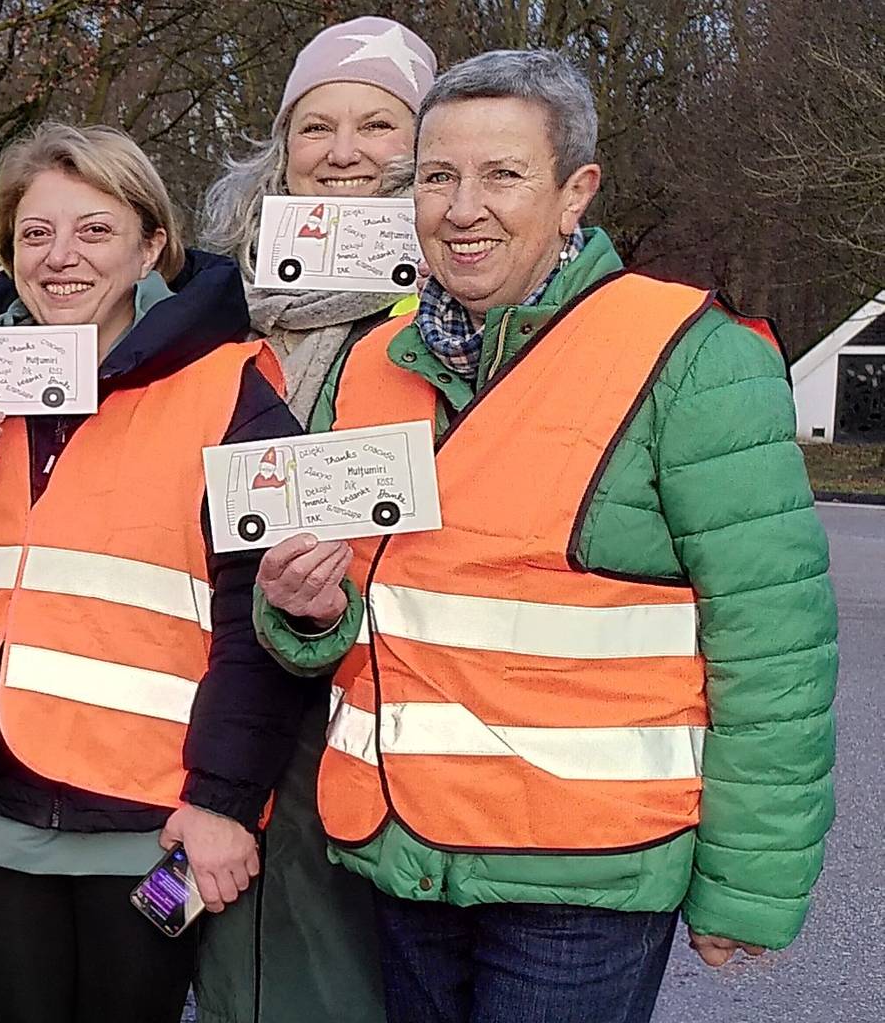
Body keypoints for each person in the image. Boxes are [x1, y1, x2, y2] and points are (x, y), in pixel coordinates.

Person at [253, 49, 837, 1023]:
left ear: (576, 192)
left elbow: (775, 647)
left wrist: (750, 887)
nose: (462, 206)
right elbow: (348, 610)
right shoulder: (369, 367)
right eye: (438, 176)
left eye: (502, 174)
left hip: (582, 877)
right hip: (404, 853)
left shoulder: (691, 357)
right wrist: (305, 613)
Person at [0, 123, 314, 1023]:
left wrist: (225, 802)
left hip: (152, 815)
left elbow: (263, 622)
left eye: (94, 230)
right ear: (7, 252)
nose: (61, 258)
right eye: (35, 234)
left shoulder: (232, 389)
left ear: (151, 245)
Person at [187, 14, 437, 1021]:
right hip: (223, 681)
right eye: (315, 126)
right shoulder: (212, 297)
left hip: (371, 699)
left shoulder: (461, 308)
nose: (343, 152)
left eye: (380, 126)